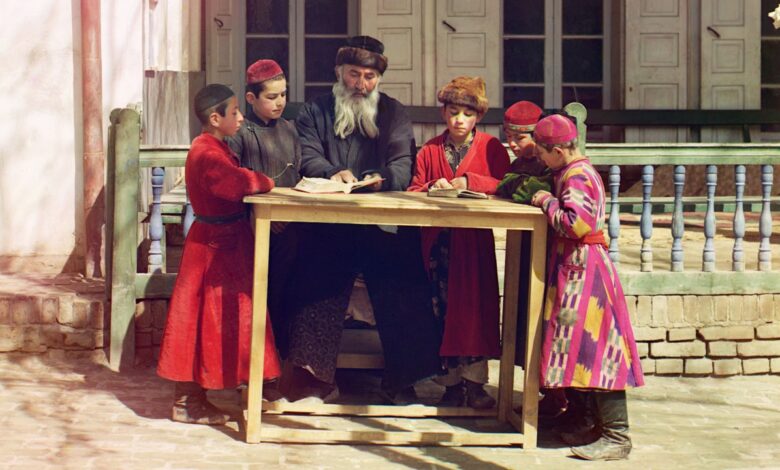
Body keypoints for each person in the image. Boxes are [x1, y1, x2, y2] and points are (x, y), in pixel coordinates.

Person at [282, 35, 442, 404]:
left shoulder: (394, 113)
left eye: (369, 77)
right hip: (327, 223)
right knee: (314, 280)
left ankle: (404, 380)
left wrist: (381, 178)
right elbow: (307, 156)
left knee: (403, 279)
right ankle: (312, 379)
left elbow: (404, 163)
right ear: (339, 73)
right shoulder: (315, 111)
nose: (361, 84)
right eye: (354, 74)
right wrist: (333, 172)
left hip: (380, 222)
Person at [156, 84, 281, 425]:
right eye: (235, 112)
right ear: (215, 118)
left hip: (223, 242)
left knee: (220, 319)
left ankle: (236, 387)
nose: (241, 118)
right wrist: (265, 181)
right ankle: (187, 403)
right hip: (214, 248)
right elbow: (237, 184)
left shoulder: (211, 145)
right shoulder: (207, 153)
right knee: (202, 321)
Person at [529, 114, 645, 460]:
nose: (541, 158)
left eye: (543, 152)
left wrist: (545, 201)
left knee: (597, 351)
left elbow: (575, 224)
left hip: (586, 272)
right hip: (574, 268)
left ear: (559, 150)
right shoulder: (568, 171)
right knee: (576, 350)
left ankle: (616, 435)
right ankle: (584, 421)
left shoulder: (578, 175)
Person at [407, 76, 509, 408]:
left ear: (478, 116)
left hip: (473, 244)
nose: (459, 121)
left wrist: (471, 181)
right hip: (438, 244)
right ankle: (449, 383)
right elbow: (413, 189)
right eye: (453, 112)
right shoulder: (430, 150)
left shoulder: (491, 148)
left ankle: (475, 383)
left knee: (475, 310)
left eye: (467, 114)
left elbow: (505, 184)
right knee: (441, 309)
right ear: (444, 113)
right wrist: (432, 188)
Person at [226, 59, 301, 359]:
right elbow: (233, 181)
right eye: (271, 97)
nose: (280, 102)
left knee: (286, 296)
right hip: (254, 230)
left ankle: (279, 361)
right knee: (259, 297)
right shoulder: (240, 134)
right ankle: (253, 364)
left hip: (292, 229)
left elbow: (300, 172)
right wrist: (260, 216)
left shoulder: (290, 131)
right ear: (250, 98)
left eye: (283, 94)